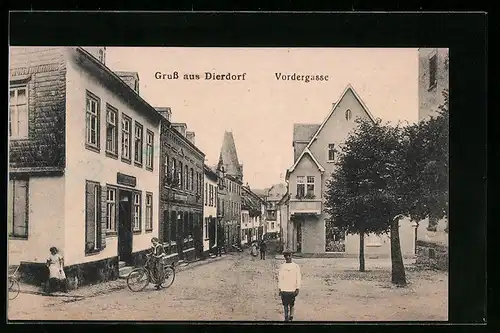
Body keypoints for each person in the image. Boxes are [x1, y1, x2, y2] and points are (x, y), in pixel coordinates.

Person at [278, 250, 301, 322]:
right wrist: (280, 288)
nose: (288, 257)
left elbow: (298, 277)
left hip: (292, 288)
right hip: (284, 288)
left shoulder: (296, 266)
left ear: (291, 256)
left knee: (291, 304)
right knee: (285, 304)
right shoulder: (282, 266)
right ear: (284, 257)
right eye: (286, 256)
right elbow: (280, 278)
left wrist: (297, 288)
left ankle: (291, 316)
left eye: (289, 255)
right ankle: (286, 317)